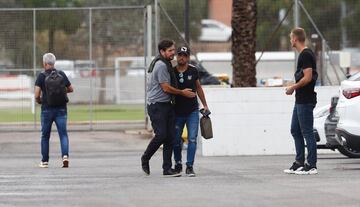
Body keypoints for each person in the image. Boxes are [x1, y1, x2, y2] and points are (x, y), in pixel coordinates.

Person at [141, 40, 196, 177]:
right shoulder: (161, 65)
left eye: (173, 50)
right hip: (157, 105)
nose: (173, 53)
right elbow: (165, 88)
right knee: (161, 135)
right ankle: (145, 158)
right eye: (170, 50)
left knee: (171, 137)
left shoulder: (166, 63)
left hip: (167, 104)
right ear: (162, 52)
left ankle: (167, 168)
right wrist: (182, 92)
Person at [284, 28, 318, 175]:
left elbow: (308, 77)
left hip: (305, 100)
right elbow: (303, 76)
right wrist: (292, 85)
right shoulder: (303, 55)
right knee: (295, 130)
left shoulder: (305, 55)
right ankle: (299, 162)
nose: (290, 40)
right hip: (300, 100)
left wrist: (293, 87)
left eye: (291, 38)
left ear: (296, 39)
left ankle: (311, 165)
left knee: (307, 132)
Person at [173, 46, 209, 177]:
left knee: (192, 139)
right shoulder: (172, 71)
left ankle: (189, 166)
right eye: (179, 55)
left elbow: (198, 88)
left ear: (188, 57)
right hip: (176, 111)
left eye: (184, 55)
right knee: (176, 140)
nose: (182, 57)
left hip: (192, 111)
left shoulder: (193, 70)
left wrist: (205, 105)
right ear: (177, 56)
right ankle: (177, 164)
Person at [35, 53, 74, 168]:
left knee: (45, 136)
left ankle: (45, 161)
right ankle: (65, 156)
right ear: (54, 63)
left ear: (44, 63)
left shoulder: (41, 76)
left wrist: (39, 100)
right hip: (61, 109)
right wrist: (60, 92)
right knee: (63, 134)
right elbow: (71, 89)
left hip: (46, 109)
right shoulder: (61, 74)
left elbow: (37, 94)